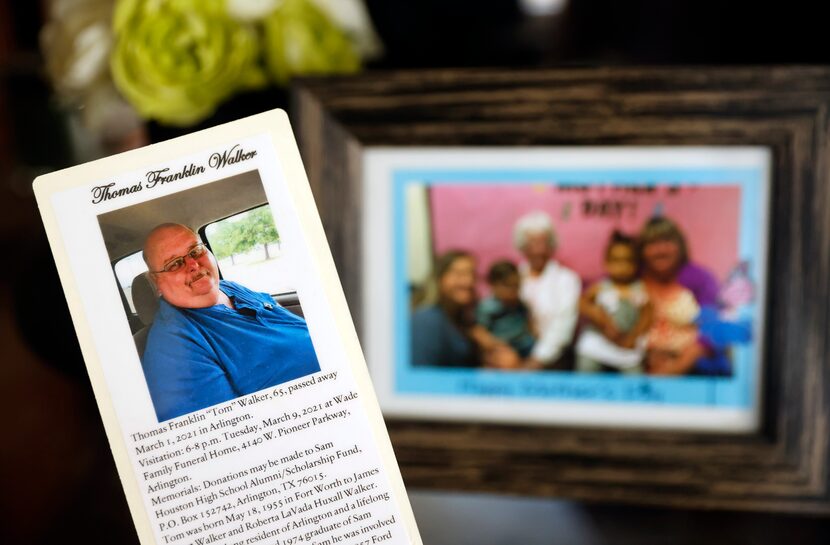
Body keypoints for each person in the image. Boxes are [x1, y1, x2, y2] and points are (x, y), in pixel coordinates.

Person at [141, 223, 320, 421]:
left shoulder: (228, 287)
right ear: (157, 283)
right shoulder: (172, 350)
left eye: (196, 250)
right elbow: (230, 432)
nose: (193, 265)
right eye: (174, 264)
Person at [638, 216, 744, 376]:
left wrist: (677, 366)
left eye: (667, 241)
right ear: (641, 251)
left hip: (691, 364)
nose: (660, 250)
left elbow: (713, 327)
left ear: (680, 246)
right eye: (652, 244)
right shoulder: (633, 279)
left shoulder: (700, 279)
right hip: (641, 362)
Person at [410, 250, 519, 368]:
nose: (468, 281)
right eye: (459, 274)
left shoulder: (461, 319)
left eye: (472, 274)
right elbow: (422, 378)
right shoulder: (427, 320)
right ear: (439, 279)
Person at [575, 231, 653, 374]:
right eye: (616, 261)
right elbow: (581, 303)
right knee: (586, 369)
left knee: (635, 376)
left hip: (625, 345)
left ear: (636, 264)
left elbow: (647, 315)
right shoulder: (600, 287)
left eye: (627, 261)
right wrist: (598, 317)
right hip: (599, 342)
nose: (622, 267)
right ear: (606, 263)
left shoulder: (639, 290)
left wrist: (634, 337)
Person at [513, 211, 581, 368]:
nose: (538, 250)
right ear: (522, 246)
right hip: (512, 357)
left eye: (543, 243)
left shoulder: (567, 280)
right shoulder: (512, 277)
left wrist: (537, 360)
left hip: (551, 361)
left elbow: (562, 328)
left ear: (552, 246)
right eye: (531, 243)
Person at [476, 260, 536, 358]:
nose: (513, 291)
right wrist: (494, 344)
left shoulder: (520, 304)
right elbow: (481, 331)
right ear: (494, 285)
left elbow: (529, 324)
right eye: (508, 286)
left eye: (517, 286)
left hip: (524, 344)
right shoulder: (488, 307)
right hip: (502, 347)